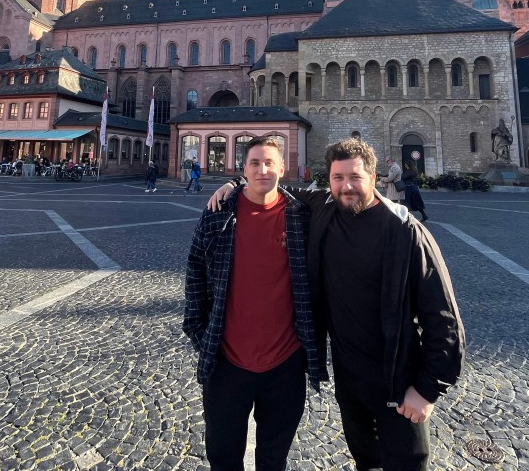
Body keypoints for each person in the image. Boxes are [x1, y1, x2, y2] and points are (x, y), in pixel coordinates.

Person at [208, 138, 464, 471]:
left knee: (406, 463)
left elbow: (443, 319)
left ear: (373, 177)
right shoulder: (326, 207)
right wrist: (235, 183)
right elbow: (271, 182)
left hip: (398, 380)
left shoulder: (405, 231)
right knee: (366, 461)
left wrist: (426, 390)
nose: (346, 187)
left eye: (355, 177)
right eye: (338, 178)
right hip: (349, 378)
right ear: (328, 180)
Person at [184, 136, 326, 470]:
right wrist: (200, 335)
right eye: (254, 163)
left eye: (269, 163)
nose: (262, 170)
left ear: (282, 168)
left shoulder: (301, 216)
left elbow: (350, 192)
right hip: (226, 363)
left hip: (285, 365)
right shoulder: (218, 215)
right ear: (243, 168)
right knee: (223, 458)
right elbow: (195, 274)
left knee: (273, 460)